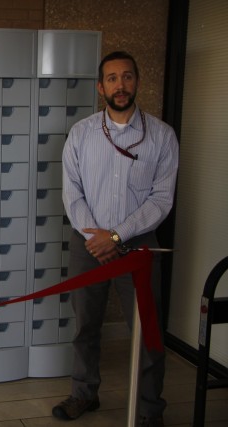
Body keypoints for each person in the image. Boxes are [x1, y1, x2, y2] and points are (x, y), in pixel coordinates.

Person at [53, 51, 179, 427]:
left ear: (137, 82)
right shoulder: (82, 133)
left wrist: (118, 235)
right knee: (85, 326)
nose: (120, 85)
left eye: (127, 77)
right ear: (100, 87)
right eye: (112, 78)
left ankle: (149, 409)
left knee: (147, 330)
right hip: (88, 243)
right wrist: (96, 236)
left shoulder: (161, 136)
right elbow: (71, 191)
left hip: (138, 245)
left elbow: (162, 197)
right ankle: (84, 394)